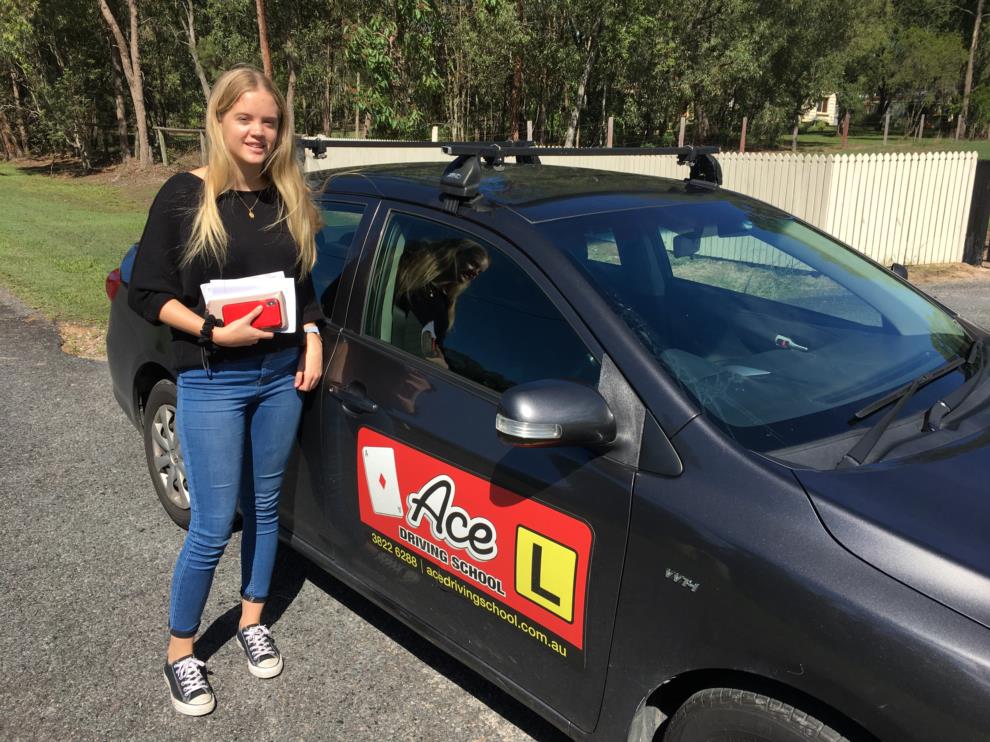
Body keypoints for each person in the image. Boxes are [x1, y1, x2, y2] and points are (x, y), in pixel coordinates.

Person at [128, 66, 323, 716]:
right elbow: (148, 293)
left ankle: (251, 619)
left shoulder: (285, 195)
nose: (258, 132)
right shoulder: (185, 196)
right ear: (219, 120)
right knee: (213, 524)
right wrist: (213, 330)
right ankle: (180, 652)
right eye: (245, 118)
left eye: (269, 121)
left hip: (280, 377)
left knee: (264, 507)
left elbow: (301, 285)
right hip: (213, 376)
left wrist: (312, 333)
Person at [393, 238, 490, 365]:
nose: (474, 273)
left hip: (415, 365)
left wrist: (442, 365)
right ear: (457, 253)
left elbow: (434, 342)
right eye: (473, 264)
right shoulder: (413, 271)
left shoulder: (446, 303)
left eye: (479, 272)